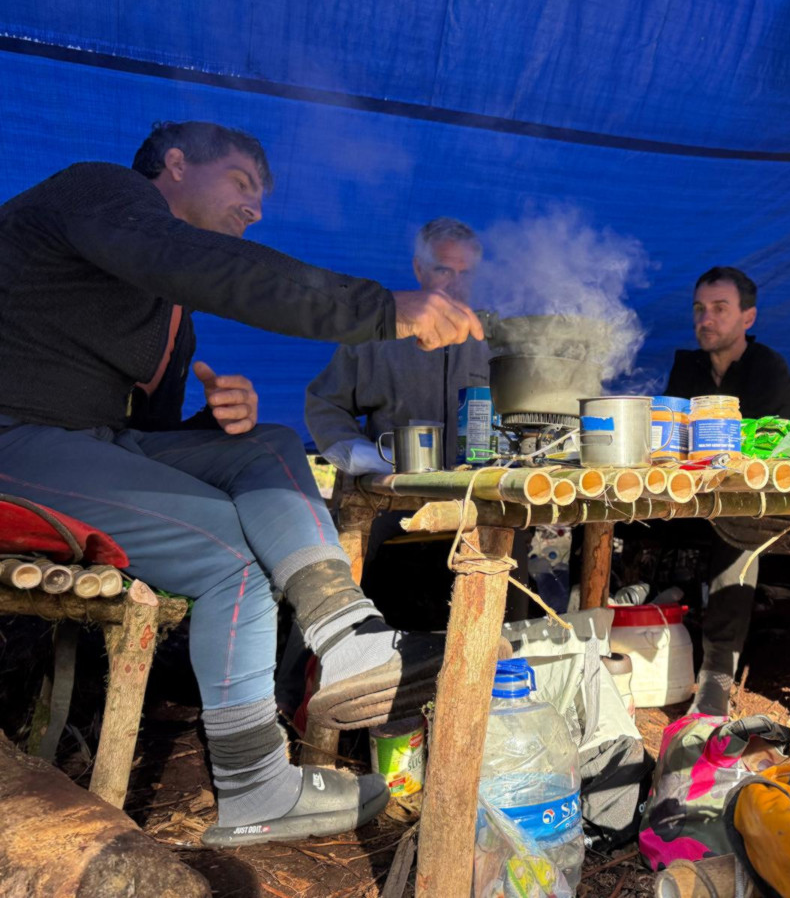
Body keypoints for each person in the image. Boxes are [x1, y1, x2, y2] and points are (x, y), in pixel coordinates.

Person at [0, 121, 484, 846]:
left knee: (270, 442)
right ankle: (256, 783)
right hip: (16, 439)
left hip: (90, 444)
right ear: (174, 164)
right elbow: (207, 262)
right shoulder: (99, 191)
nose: (256, 206)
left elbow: (146, 441)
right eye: (242, 183)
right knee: (227, 552)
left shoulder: (167, 312)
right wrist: (380, 309)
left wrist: (215, 420)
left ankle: (348, 636)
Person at [664, 267, 790, 715]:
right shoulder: (687, 368)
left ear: (748, 318)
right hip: (688, 495)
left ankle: (717, 674)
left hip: (749, 501)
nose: (707, 318)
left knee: (735, 530)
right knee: (615, 517)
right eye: (700, 309)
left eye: (720, 308)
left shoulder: (768, 369)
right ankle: (623, 631)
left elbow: (773, 451)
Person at [306, 217, 490, 474]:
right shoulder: (381, 335)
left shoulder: (493, 339)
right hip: (392, 498)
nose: (456, 283)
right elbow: (323, 402)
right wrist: (363, 456)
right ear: (419, 269)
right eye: (443, 270)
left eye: (465, 273)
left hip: (477, 499)